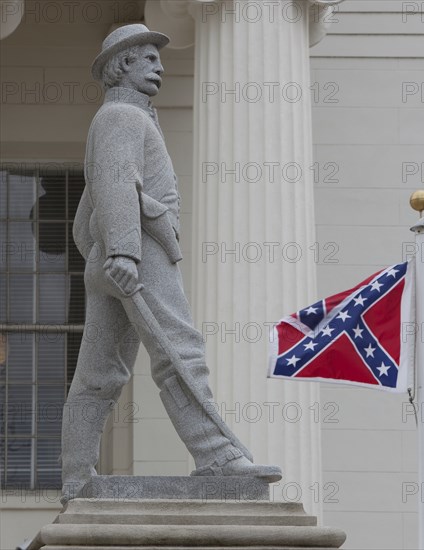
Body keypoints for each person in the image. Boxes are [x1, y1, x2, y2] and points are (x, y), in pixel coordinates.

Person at [60, 24, 281, 505]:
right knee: (179, 348)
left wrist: (104, 253)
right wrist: (122, 251)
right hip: (139, 250)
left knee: (101, 372)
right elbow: (117, 185)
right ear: (123, 64)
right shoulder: (121, 116)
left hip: (124, 252)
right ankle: (217, 455)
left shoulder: (122, 118)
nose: (160, 66)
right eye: (148, 58)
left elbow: (86, 212)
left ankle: (76, 477)